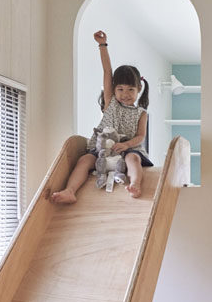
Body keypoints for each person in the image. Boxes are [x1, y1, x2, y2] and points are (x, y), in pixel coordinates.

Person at [52, 31, 152, 204]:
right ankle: (70, 191)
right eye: (120, 89)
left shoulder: (141, 113)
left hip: (126, 149)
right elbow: (107, 71)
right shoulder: (110, 103)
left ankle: (135, 184)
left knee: (134, 159)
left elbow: (141, 136)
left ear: (138, 90)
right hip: (102, 149)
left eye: (130, 90)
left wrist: (127, 145)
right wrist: (102, 45)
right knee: (84, 160)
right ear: (113, 90)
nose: (125, 94)